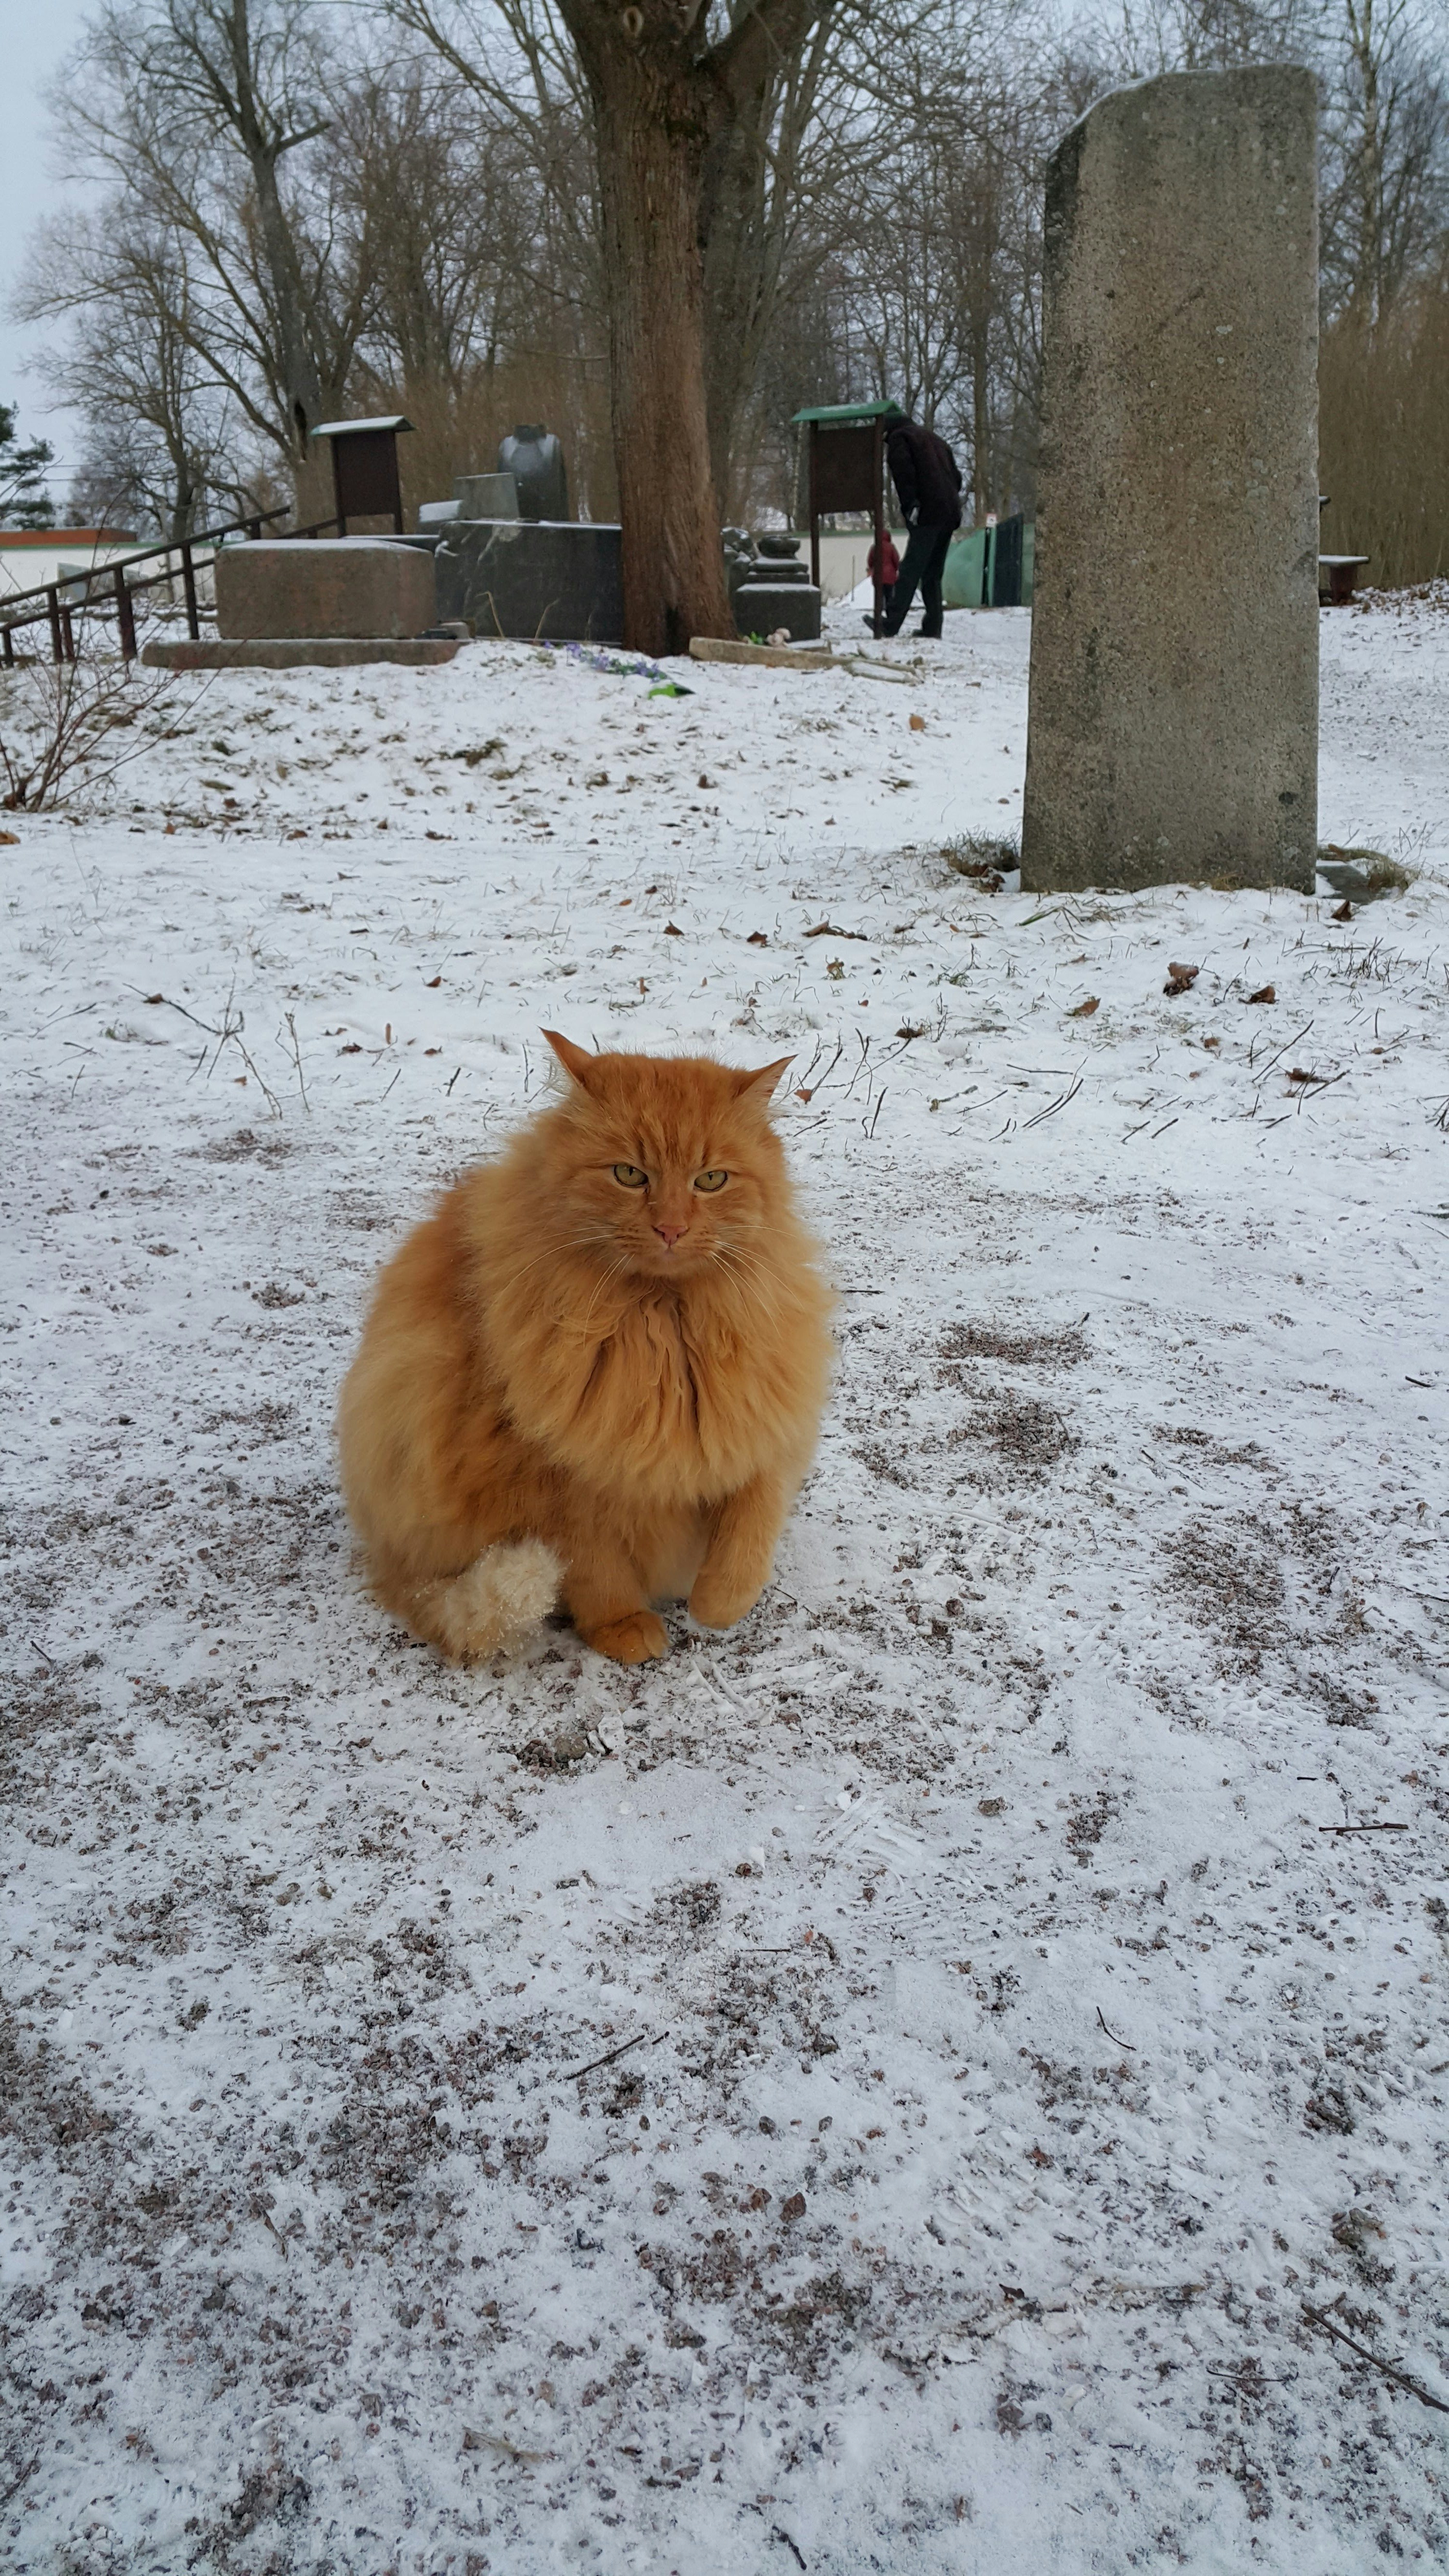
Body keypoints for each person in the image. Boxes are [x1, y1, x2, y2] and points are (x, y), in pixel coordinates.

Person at [867, 416, 963, 639]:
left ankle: (890, 623)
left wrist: (911, 506)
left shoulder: (900, 439)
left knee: (910, 569)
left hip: (928, 512)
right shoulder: (936, 440)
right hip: (950, 512)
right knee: (933, 573)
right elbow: (957, 479)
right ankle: (933, 626)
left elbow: (905, 476)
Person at [866, 527, 900, 625]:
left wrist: (873, 569)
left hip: (878, 577)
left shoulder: (874, 547)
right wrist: (895, 570)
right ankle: (890, 617)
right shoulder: (891, 547)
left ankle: (878, 616)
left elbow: (870, 561)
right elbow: (896, 560)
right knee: (890, 598)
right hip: (890, 577)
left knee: (879, 598)